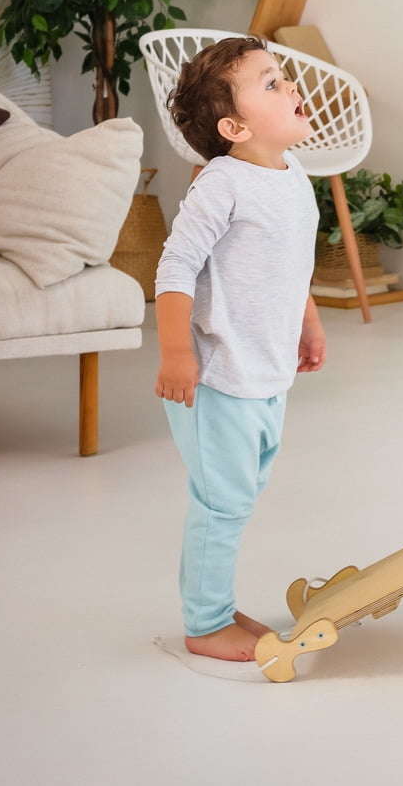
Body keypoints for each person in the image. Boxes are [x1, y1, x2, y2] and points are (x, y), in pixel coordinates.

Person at [154, 35, 327, 662]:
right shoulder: (221, 184)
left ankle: (217, 607)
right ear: (235, 127)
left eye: (282, 76)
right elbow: (174, 269)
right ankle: (205, 625)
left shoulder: (294, 175)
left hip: (264, 373)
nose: (291, 87)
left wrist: (308, 321)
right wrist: (177, 354)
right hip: (216, 379)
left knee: (238, 496)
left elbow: (292, 265)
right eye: (271, 84)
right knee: (222, 503)